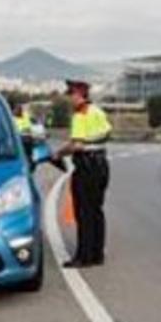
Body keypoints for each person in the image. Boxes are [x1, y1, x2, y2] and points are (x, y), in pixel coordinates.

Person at [55, 79, 112, 267]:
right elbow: (106, 133)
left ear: (79, 95)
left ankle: (84, 257)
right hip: (102, 165)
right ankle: (97, 254)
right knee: (96, 210)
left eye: (70, 95)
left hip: (86, 167)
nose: (69, 99)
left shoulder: (80, 114)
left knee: (84, 212)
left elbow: (77, 144)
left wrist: (58, 153)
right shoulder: (98, 111)